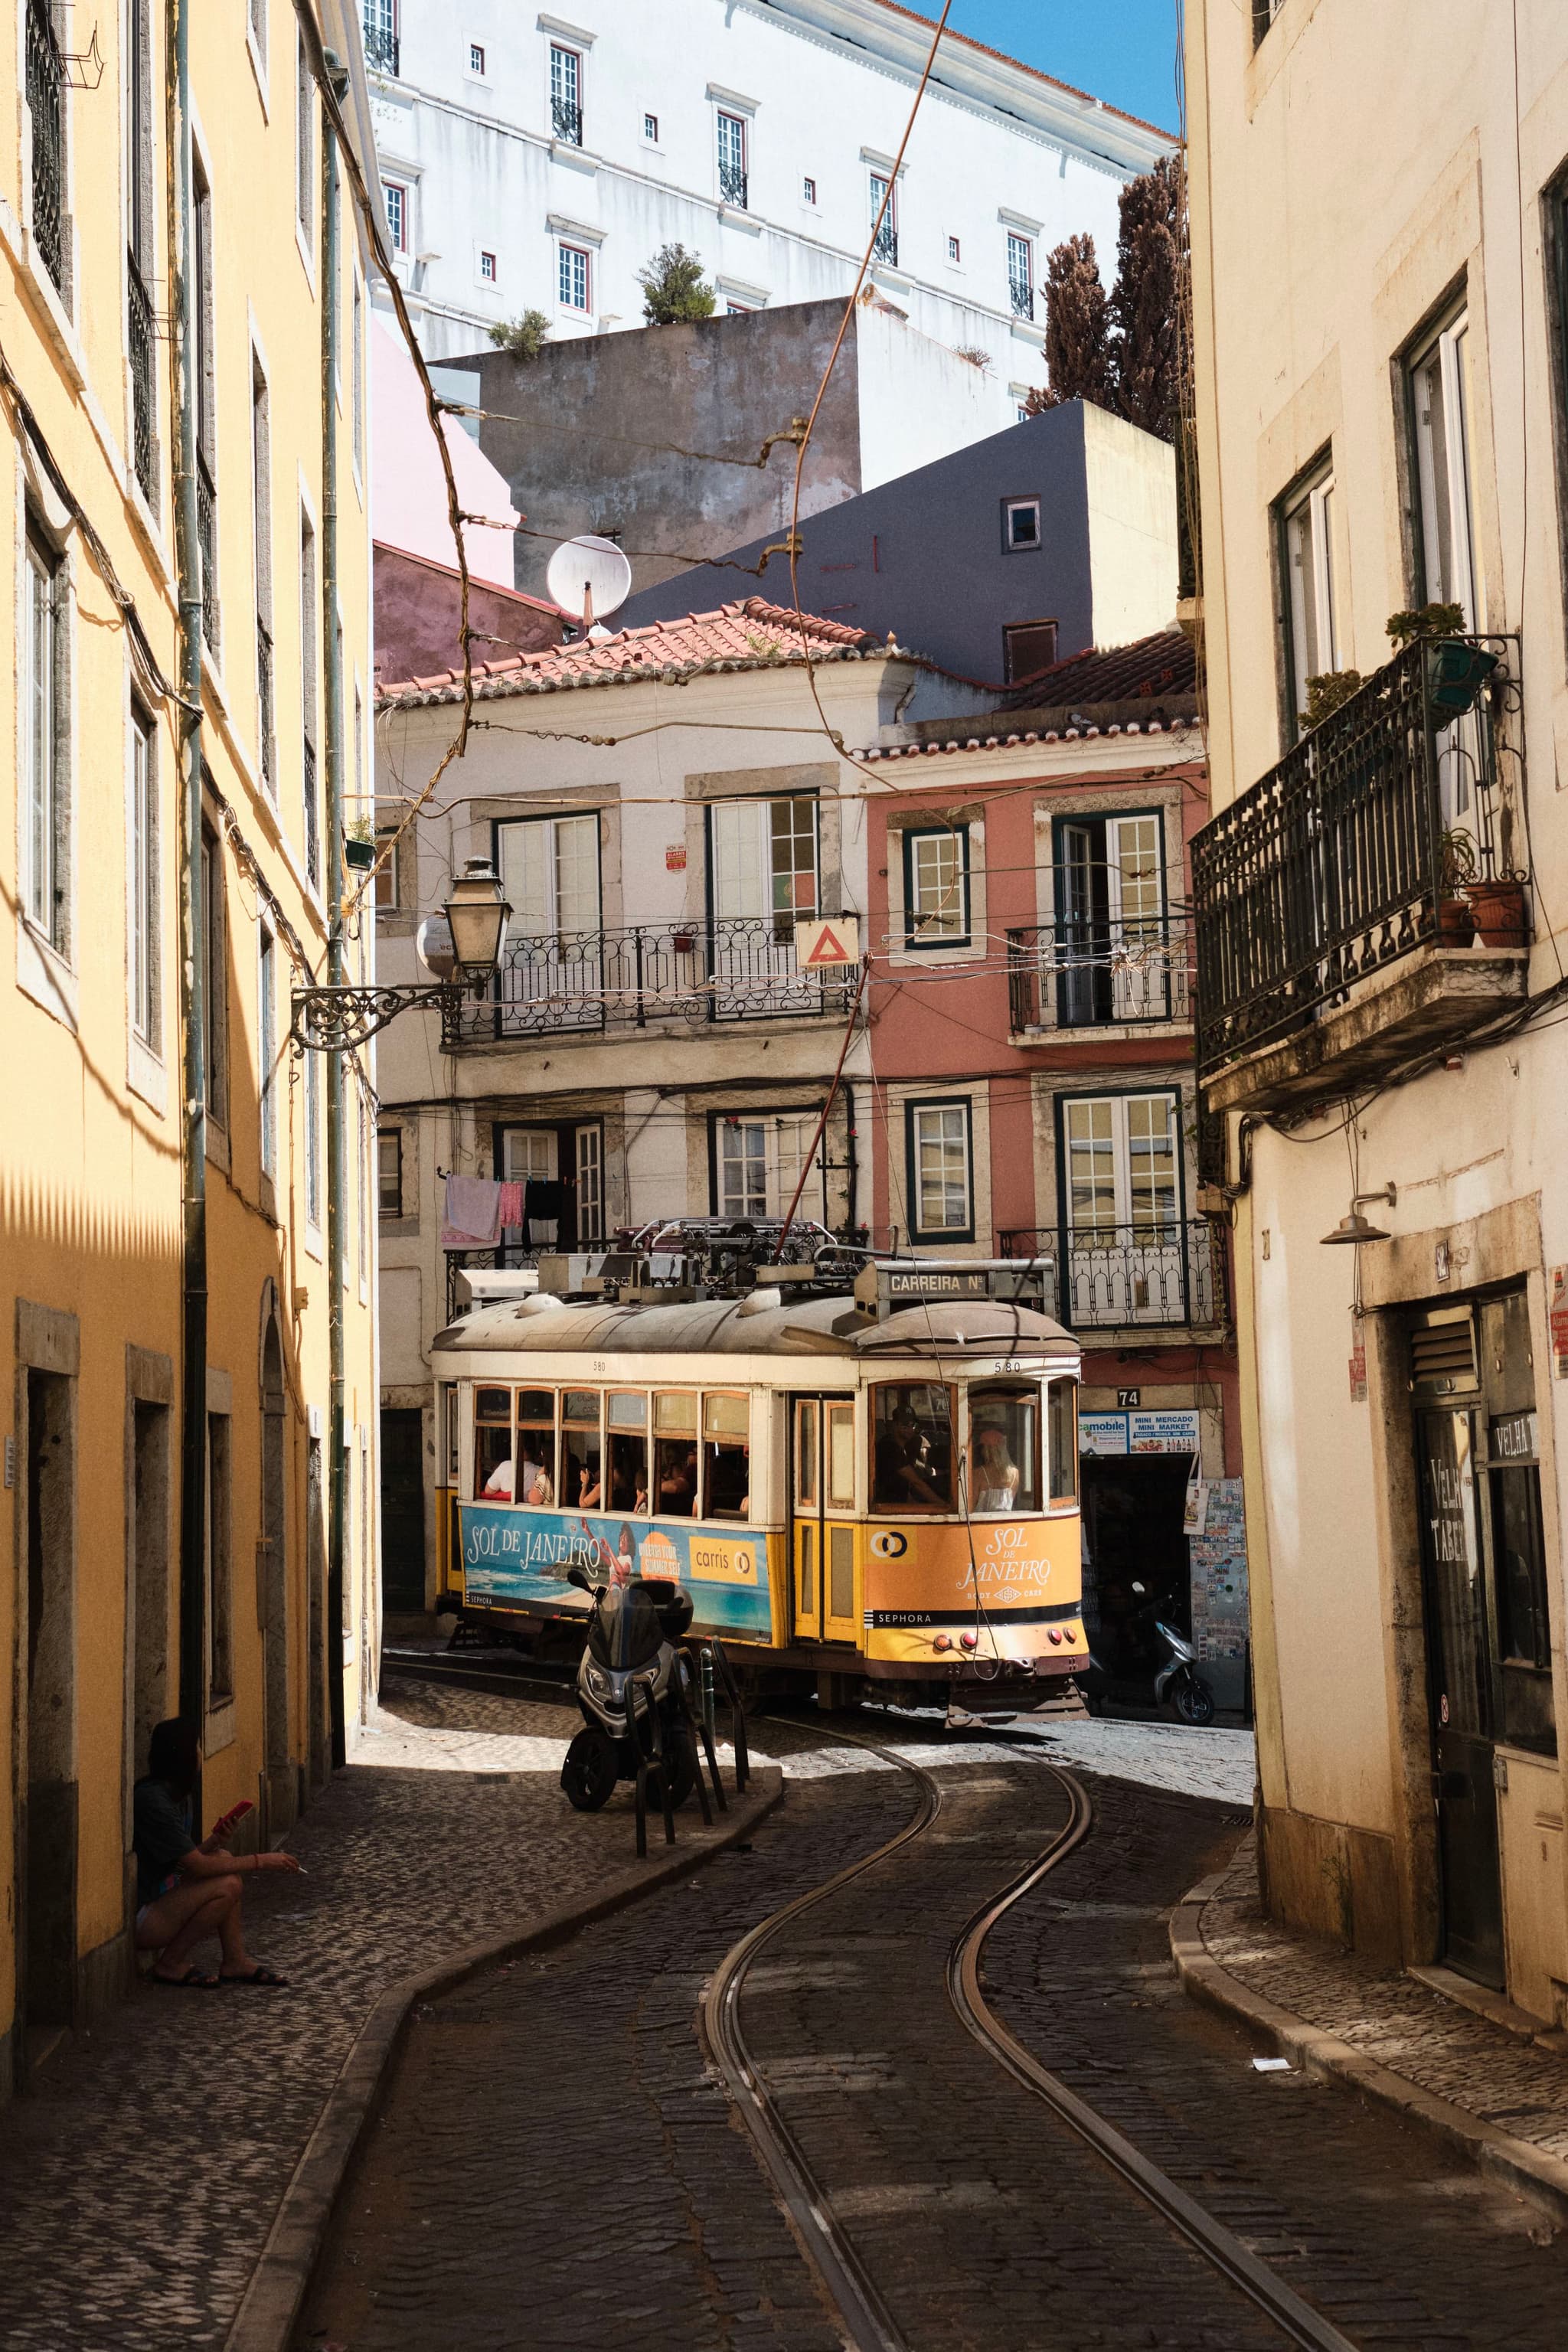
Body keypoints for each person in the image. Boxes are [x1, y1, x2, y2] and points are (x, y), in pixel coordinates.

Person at [132, 1719, 300, 1988]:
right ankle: (170, 1963)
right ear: (183, 1755)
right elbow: (197, 1868)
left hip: (164, 1895)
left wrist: (213, 1842)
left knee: (222, 1857)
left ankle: (235, 1960)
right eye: (197, 1746)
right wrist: (262, 1861)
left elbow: (182, 1863)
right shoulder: (153, 1801)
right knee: (229, 1884)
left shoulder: (178, 1796)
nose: (201, 1752)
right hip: (144, 1915)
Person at [875, 1403, 947, 1509]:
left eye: (912, 1425)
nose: (910, 1429)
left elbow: (906, 1489)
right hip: (887, 1506)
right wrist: (944, 1507)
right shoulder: (889, 1447)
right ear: (894, 1425)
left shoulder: (903, 1447)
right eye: (905, 1425)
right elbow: (916, 1482)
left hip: (899, 1501)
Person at [972, 1421, 1020, 1513]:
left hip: (980, 1525)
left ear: (986, 1449)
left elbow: (969, 1507)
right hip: (1005, 1524)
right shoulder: (1015, 1473)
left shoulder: (978, 1473)